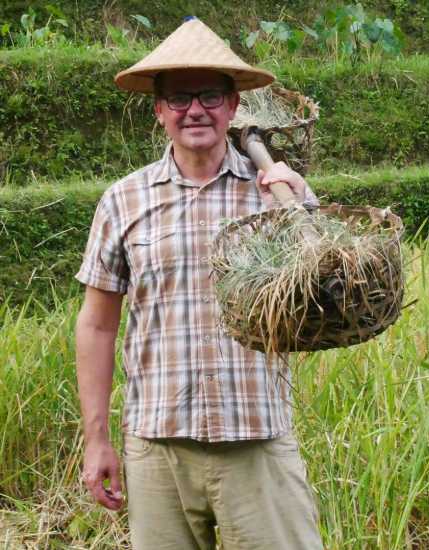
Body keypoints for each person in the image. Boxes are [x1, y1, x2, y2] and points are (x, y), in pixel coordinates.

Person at [73, 17, 323, 549]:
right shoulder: (124, 200)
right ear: (159, 109)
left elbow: (331, 289)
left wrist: (303, 205)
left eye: (210, 95)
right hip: (158, 448)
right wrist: (96, 441)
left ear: (233, 107)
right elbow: (96, 325)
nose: (195, 110)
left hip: (256, 440)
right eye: (179, 97)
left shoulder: (274, 194)